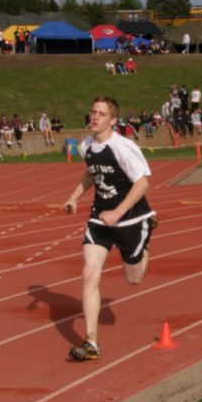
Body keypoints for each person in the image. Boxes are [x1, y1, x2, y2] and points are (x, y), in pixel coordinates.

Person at [64, 96, 157, 361]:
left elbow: (142, 184)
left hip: (130, 217)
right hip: (99, 217)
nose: (94, 117)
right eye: (92, 112)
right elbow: (92, 173)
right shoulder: (86, 146)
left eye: (101, 114)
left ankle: (148, 230)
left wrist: (117, 213)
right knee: (89, 273)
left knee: (134, 278)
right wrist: (74, 197)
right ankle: (91, 342)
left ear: (113, 121)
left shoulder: (123, 148)